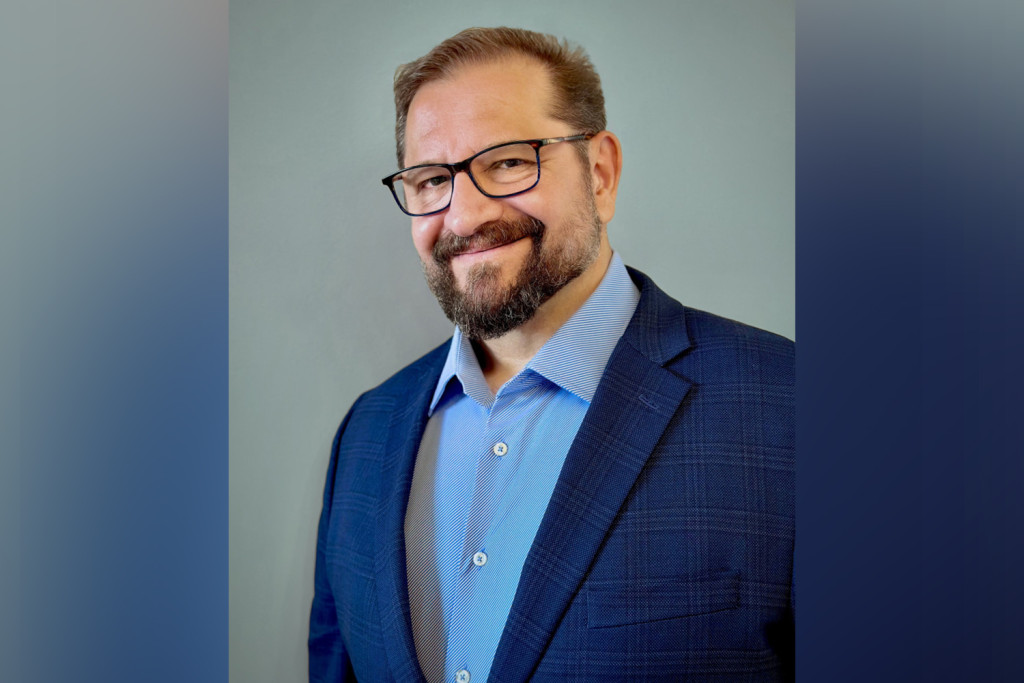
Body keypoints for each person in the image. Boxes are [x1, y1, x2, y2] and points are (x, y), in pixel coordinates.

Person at [309, 26, 794, 682]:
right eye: (429, 180)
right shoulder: (365, 434)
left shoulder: (789, 406)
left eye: (508, 161)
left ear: (600, 173)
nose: (463, 216)